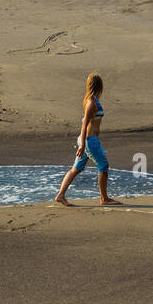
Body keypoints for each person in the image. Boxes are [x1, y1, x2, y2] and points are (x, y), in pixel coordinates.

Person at [54, 73, 120, 206]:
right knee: (103, 166)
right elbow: (84, 124)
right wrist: (83, 145)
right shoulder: (91, 102)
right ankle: (104, 198)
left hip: (88, 140)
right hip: (90, 141)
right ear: (98, 85)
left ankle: (60, 195)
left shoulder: (93, 100)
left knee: (76, 169)